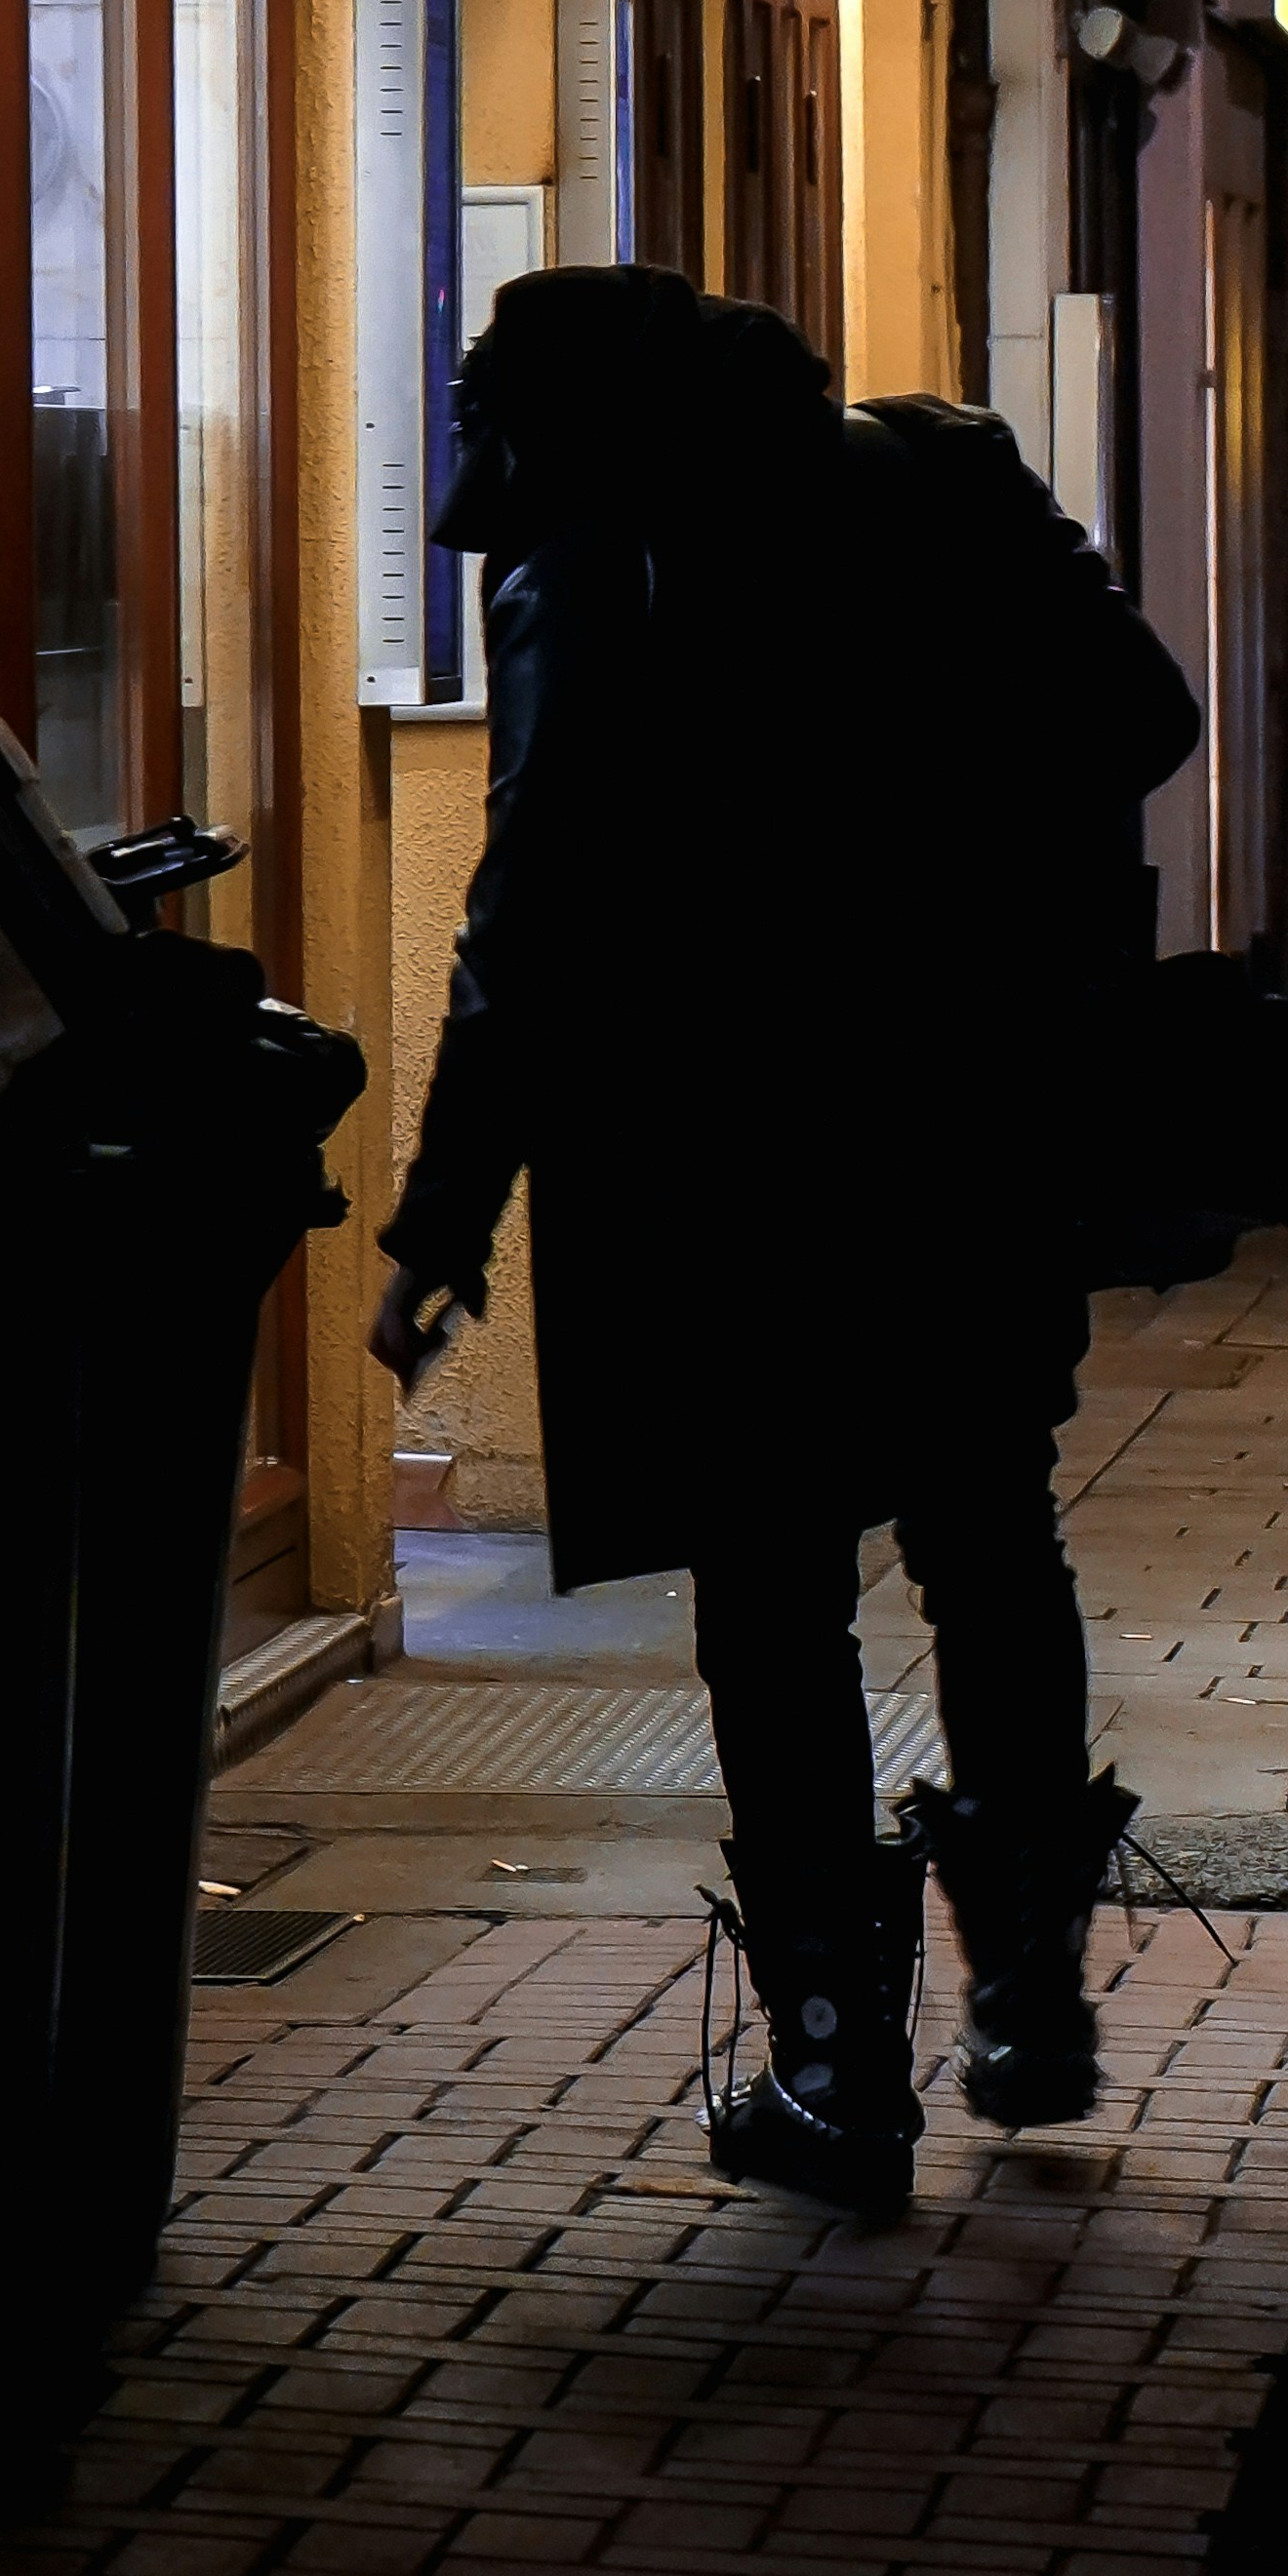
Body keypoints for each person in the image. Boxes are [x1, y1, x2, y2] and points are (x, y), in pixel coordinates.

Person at [370, 268, 1203, 2218]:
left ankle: (838, 2069)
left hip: (722, 1176)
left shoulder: (599, 565)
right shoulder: (941, 473)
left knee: (773, 1595)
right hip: (975, 1133)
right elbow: (1143, 712)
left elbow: (530, 914)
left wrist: (440, 1214)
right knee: (989, 1535)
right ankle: (1028, 1994)